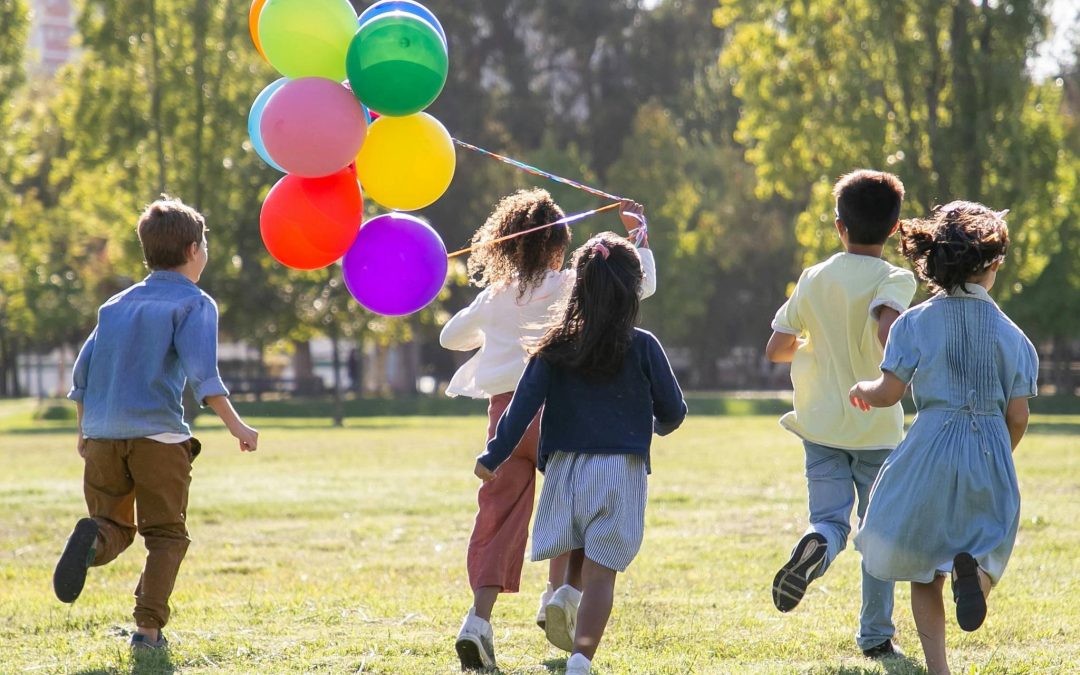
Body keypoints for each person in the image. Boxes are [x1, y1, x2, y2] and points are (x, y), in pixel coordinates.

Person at [442, 189, 656, 671]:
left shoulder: (495, 296)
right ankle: (558, 595)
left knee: (497, 518)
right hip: (558, 414)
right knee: (576, 507)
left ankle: (478, 620)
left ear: (507, 247)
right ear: (559, 245)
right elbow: (638, 287)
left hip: (505, 419)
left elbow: (449, 337)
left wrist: (494, 320)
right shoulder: (569, 285)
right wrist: (638, 236)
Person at [474, 232, 686, 675]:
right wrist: (656, 425)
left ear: (579, 286)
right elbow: (674, 411)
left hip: (566, 471)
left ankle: (562, 594)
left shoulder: (553, 346)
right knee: (602, 576)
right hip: (621, 470)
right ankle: (580, 660)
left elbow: (520, 409)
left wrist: (493, 457)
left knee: (573, 544)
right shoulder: (644, 345)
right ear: (632, 290)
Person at [54, 197, 259, 650]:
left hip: (104, 436)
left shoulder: (115, 305)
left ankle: (93, 540)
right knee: (165, 535)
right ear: (192, 251)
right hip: (158, 438)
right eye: (204, 244)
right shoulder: (194, 303)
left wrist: (84, 432)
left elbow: (81, 375)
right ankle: (147, 631)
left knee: (113, 527)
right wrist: (238, 427)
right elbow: (205, 377)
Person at [851, 201, 1037, 675]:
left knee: (920, 564)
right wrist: (997, 453)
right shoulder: (1013, 336)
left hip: (929, 447)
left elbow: (890, 392)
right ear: (993, 263)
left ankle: (939, 669)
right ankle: (971, 576)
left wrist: (863, 389)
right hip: (989, 448)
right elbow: (1018, 414)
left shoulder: (913, 322)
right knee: (986, 545)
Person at [765, 170, 916, 658]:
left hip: (821, 424)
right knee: (878, 533)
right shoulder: (895, 277)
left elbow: (776, 348)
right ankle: (875, 636)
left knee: (829, 520)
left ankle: (816, 545)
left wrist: (817, 346)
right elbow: (886, 329)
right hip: (875, 425)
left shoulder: (814, 276)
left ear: (839, 226)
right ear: (894, 230)